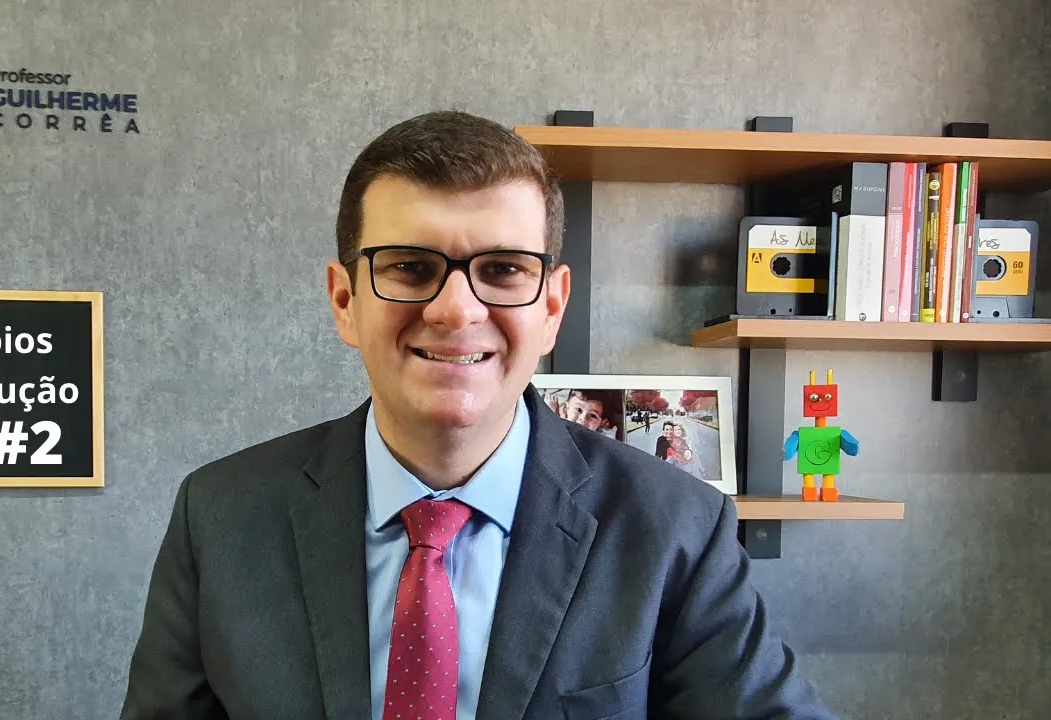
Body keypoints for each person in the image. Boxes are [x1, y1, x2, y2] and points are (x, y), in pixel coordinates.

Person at [119, 110, 838, 719]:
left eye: (503, 270)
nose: (456, 310)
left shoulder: (674, 529)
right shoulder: (220, 518)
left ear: (551, 306)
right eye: (409, 267)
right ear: (344, 301)